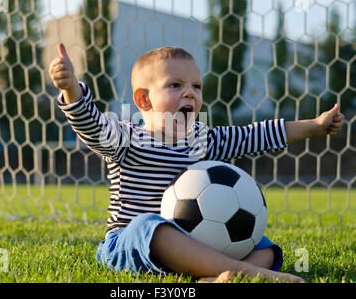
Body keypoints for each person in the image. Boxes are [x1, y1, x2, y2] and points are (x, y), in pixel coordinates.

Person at [49, 43, 344, 283]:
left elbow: (257, 136)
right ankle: (251, 274)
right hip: (131, 243)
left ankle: (214, 275)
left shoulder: (204, 140)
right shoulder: (127, 137)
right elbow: (92, 125)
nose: (190, 92)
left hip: (197, 242)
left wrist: (315, 126)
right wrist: (72, 88)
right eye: (175, 85)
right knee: (151, 226)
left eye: (197, 86)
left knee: (264, 245)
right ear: (143, 100)